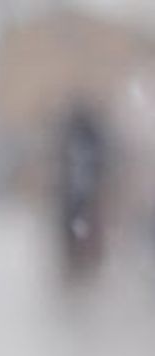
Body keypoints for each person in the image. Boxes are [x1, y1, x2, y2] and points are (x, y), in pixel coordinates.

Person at [58, 101, 108, 276]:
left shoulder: (90, 137)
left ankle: (85, 259)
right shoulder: (70, 137)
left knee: (86, 225)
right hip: (74, 192)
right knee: (75, 226)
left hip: (86, 192)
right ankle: (76, 259)